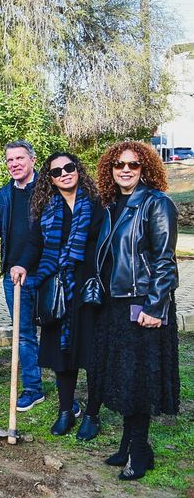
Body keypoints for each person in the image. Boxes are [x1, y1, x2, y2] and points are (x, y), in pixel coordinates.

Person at [92, 141, 179, 480]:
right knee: (125, 378)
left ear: (146, 169)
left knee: (139, 380)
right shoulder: (113, 204)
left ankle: (140, 452)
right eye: (118, 165)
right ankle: (129, 443)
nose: (125, 170)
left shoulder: (156, 203)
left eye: (133, 165)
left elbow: (164, 261)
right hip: (117, 305)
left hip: (143, 302)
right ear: (110, 170)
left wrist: (155, 306)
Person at [30, 153, 103, 437]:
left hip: (90, 289)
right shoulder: (46, 208)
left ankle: (92, 415)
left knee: (93, 353)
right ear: (50, 179)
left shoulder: (98, 204)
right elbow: (35, 244)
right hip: (58, 289)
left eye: (69, 168)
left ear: (78, 170)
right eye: (56, 171)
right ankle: (65, 411)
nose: (64, 174)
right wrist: (22, 266)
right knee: (63, 354)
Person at [0, 140, 45, 412]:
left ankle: (66, 388)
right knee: (24, 335)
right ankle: (34, 388)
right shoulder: (5, 194)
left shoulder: (48, 190)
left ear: (32, 160)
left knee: (53, 332)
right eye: (10, 160)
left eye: (19, 159)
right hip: (13, 276)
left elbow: (42, 237)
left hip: (45, 273)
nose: (14, 164)